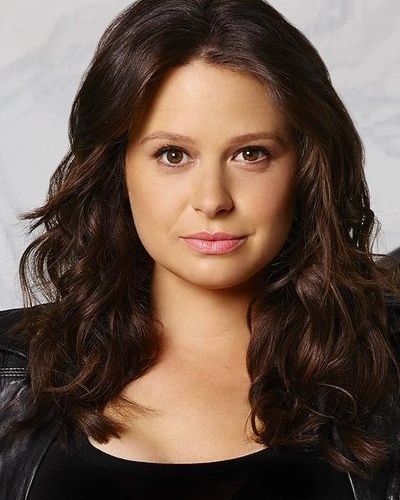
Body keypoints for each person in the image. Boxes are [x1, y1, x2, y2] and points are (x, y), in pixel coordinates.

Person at [1, 0, 399, 498]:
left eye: (251, 154)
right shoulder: (8, 372)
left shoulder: (383, 368)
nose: (212, 200)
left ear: (304, 166)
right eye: (173, 155)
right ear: (117, 168)